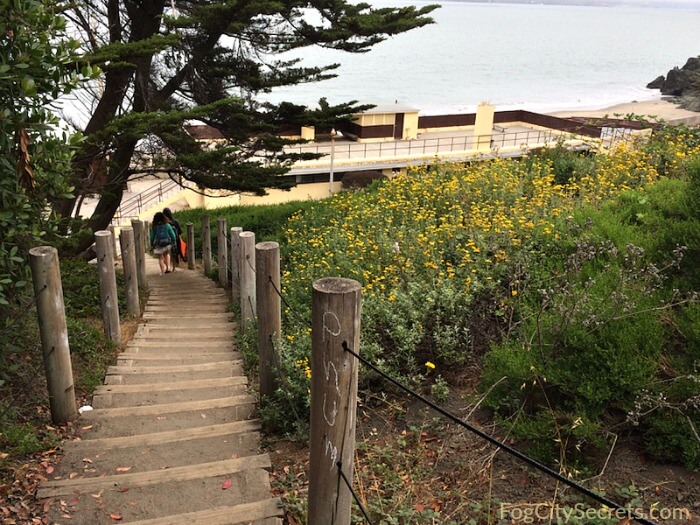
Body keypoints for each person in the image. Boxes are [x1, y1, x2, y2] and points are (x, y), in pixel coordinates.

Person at [163, 207, 183, 272]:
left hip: (165, 241)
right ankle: (174, 267)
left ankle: (168, 267)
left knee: (166, 254)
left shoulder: (164, 223)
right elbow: (180, 231)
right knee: (175, 254)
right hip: (175, 240)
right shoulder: (176, 221)